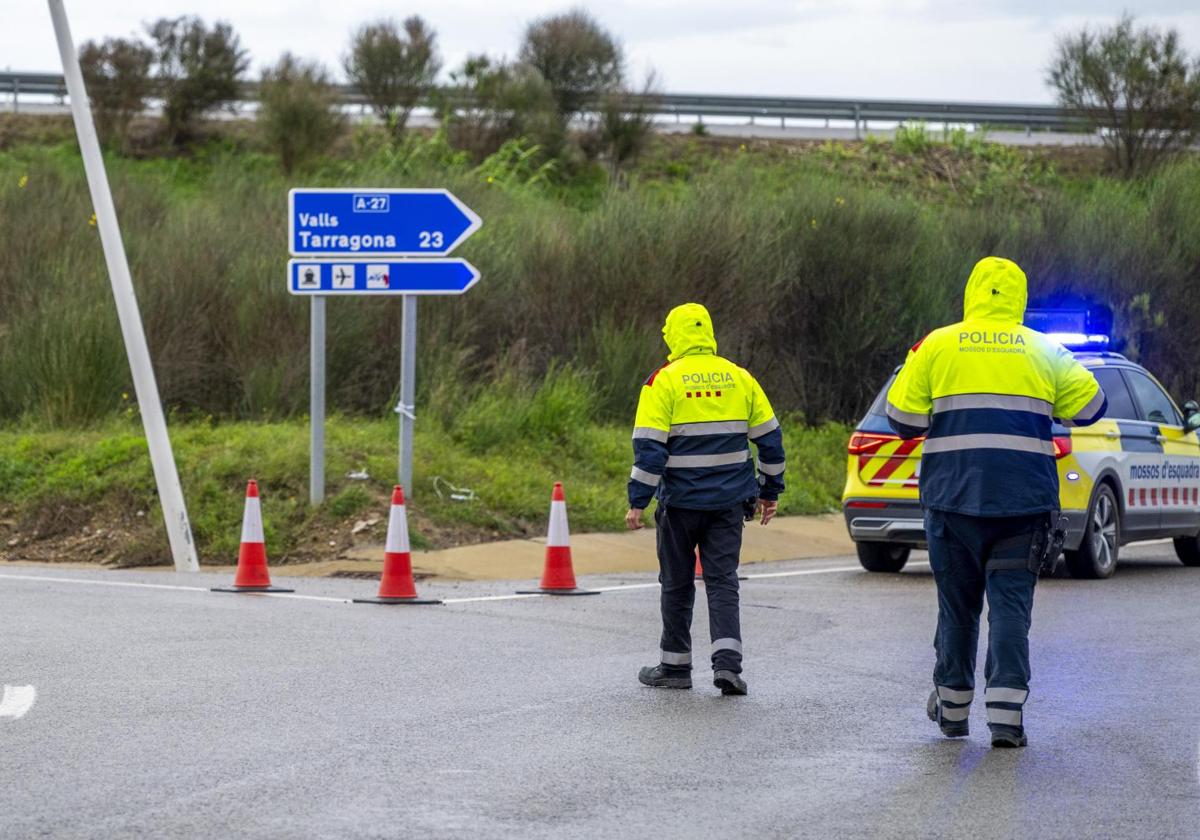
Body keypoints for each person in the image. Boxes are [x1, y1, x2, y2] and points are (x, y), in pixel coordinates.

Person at [886, 256, 1106, 748]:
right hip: (1022, 505)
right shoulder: (1043, 350)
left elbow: (901, 417)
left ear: (971, 292)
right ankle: (1006, 719)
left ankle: (953, 713)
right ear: (1019, 298)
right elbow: (1092, 406)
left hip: (952, 502)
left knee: (957, 609)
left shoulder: (938, 344)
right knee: (1010, 610)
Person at [625, 303, 786, 696]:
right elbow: (770, 440)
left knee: (677, 583)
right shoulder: (740, 378)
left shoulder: (662, 381)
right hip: (729, 504)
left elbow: (650, 451)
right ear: (708, 333)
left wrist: (638, 500)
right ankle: (728, 667)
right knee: (722, 582)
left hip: (680, 505)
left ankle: (675, 668)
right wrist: (769, 491)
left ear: (673, 335)